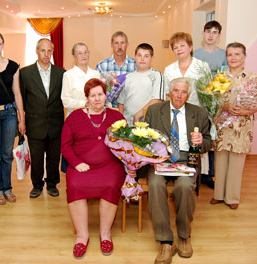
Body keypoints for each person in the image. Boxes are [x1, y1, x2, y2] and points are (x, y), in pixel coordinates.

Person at [61, 78, 132, 259]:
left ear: (106, 95)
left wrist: (131, 165)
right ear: (87, 98)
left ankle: (105, 234)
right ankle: (81, 236)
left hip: (110, 165)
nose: (97, 99)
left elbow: (128, 143)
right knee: (75, 185)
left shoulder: (117, 117)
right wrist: (76, 163)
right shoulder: (74, 117)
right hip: (81, 164)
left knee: (109, 185)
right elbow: (65, 145)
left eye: (100, 94)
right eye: (93, 95)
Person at [145, 77, 211, 264]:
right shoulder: (155, 111)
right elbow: (144, 139)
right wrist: (152, 152)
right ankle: (165, 240)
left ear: (188, 95)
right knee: (156, 185)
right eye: (176, 91)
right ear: (169, 92)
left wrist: (200, 141)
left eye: (183, 92)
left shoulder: (198, 113)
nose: (179, 95)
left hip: (186, 159)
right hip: (160, 159)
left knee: (183, 187)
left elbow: (208, 142)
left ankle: (184, 235)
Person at [210, 42, 257, 210]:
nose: (233, 58)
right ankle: (218, 195)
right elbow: (214, 102)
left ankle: (232, 197)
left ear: (244, 57)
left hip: (241, 127)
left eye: (237, 54)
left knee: (237, 163)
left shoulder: (252, 79)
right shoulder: (220, 78)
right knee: (220, 161)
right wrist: (225, 107)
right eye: (230, 55)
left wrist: (245, 111)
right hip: (223, 126)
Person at [20, 38, 65, 198]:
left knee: (54, 157)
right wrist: (23, 120)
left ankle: (52, 184)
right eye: (42, 50)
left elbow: (63, 98)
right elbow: (23, 99)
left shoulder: (61, 73)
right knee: (37, 158)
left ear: (52, 52)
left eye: (49, 51)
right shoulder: (25, 73)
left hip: (56, 123)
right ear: (37, 51)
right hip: (35, 123)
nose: (46, 54)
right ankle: (37, 185)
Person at [164, 32, 212, 181]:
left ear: (190, 46)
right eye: (175, 47)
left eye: (182, 45)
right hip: (176, 113)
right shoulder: (169, 69)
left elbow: (209, 93)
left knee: (195, 146)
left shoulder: (202, 66)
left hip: (196, 113)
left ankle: (193, 176)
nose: (179, 49)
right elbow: (167, 94)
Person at [0, 31, 26, 205]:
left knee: (7, 154)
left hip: (9, 113)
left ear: (3, 45)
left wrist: (21, 118)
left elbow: (17, 93)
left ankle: (8, 188)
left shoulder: (13, 66)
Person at [193, 21, 227, 189]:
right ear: (203, 33)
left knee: (214, 138)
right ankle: (198, 173)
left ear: (219, 35)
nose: (211, 35)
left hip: (217, 101)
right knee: (201, 136)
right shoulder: (196, 54)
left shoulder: (223, 54)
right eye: (208, 32)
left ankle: (211, 174)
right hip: (199, 100)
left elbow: (224, 78)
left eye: (215, 32)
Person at [117, 43, 164, 125]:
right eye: (139, 55)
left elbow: (157, 99)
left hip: (147, 124)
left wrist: (138, 114)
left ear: (152, 58)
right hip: (128, 124)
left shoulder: (157, 75)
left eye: (146, 56)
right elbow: (121, 103)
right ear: (135, 57)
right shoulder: (127, 77)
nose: (142, 59)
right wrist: (121, 122)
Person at [96, 31, 137, 107]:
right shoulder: (102, 66)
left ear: (127, 44)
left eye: (122, 43)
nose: (119, 47)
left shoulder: (135, 65)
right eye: (116, 43)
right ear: (111, 45)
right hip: (107, 110)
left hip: (129, 111)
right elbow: (96, 90)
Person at [61, 43, 100, 117]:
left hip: (95, 116)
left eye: (86, 52)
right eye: (79, 53)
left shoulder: (96, 74)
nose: (83, 55)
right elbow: (65, 101)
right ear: (74, 56)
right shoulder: (68, 75)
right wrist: (84, 104)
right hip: (75, 116)